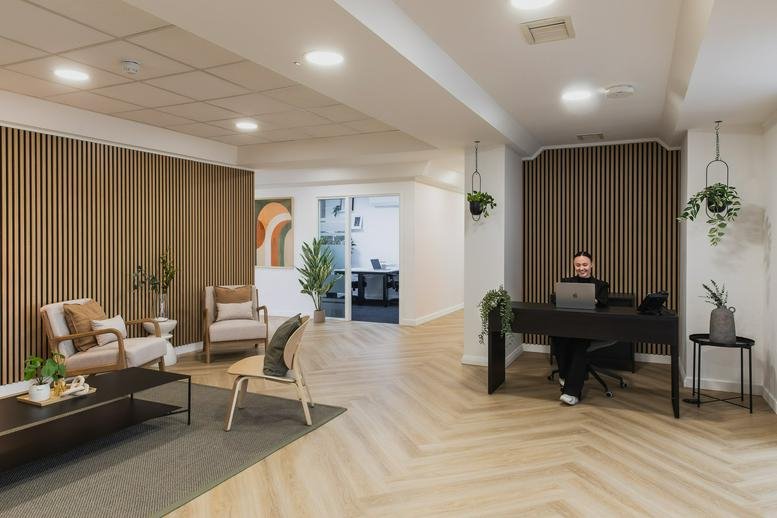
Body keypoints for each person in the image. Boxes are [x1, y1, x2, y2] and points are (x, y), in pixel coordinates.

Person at [554, 251, 609, 406]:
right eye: (578, 265)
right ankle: (565, 375)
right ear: (574, 266)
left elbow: (605, 304)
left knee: (579, 345)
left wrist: (595, 300)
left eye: (585, 264)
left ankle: (571, 392)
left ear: (592, 265)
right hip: (569, 327)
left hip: (590, 329)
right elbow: (555, 299)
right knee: (557, 337)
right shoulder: (566, 282)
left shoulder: (601, 285)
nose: (581, 268)